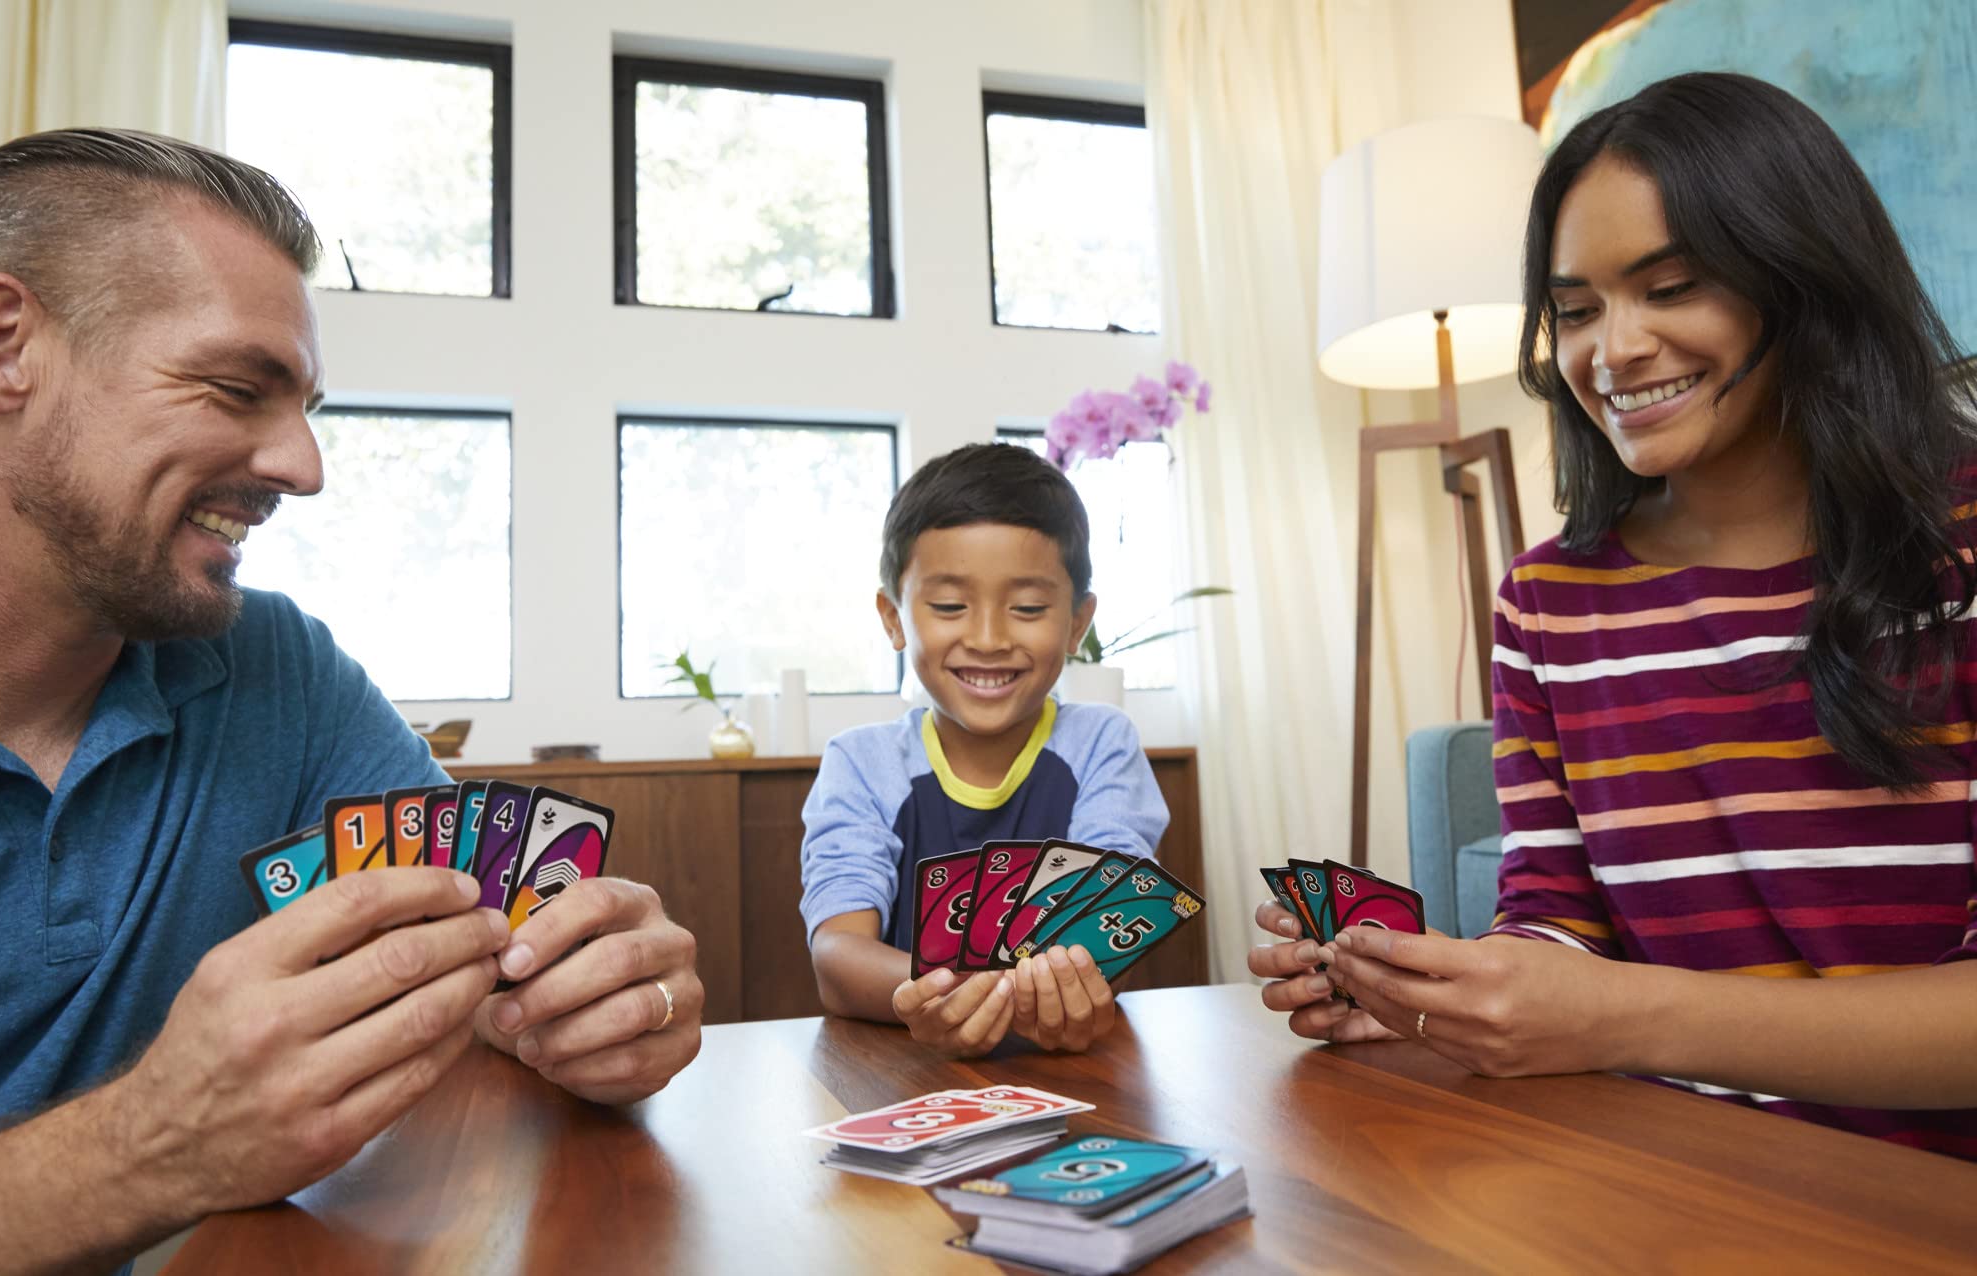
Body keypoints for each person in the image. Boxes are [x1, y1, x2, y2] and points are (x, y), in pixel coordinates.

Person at [0, 128, 704, 1272]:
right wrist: (150, 1149)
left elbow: (476, 957)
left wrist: (589, 999)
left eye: (306, 403)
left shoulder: (279, 668)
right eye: (233, 388)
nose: (305, 466)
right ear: (0, 343)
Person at [1249, 72, 1977, 1158]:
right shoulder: (1547, 604)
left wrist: (1618, 1015)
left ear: (1800, 277)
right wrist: (1447, 997)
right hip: (1662, 1181)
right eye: (1576, 310)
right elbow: (1556, 921)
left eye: (1670, 285)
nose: (1611, 350)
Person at [800, 443, 1168, 1057]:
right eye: (949, 606)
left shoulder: (1103, 743)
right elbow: (837, 956)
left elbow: (1111, 931)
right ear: (893, 618)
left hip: (1072, 1075)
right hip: (907, 1079)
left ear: (1078, 624)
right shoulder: (861, 764)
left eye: (1027, 608)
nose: (990, 638)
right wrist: (952, 992)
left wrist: (993, 992)